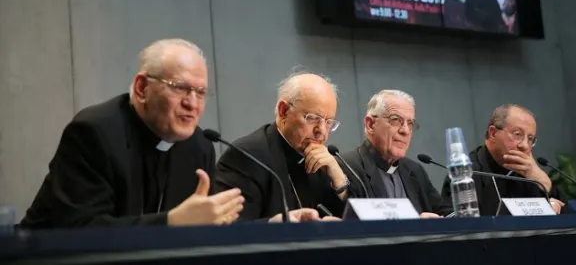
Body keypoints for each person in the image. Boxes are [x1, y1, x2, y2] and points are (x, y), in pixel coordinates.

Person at [20, 39, 309, 229]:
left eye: (200, 92)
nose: (192, 103)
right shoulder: (95, 132)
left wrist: (273, 224)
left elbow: (209, 225)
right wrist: (170, 222)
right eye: (180, 87)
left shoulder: (199, 145)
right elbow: (77, 229)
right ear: (142, 88)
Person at [214, 70, 348, 221]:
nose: (321, 131)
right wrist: (275, 226)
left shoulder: (324, 163)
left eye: (329, 122)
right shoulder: (247, 156)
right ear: (283, 111)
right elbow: (232, 229)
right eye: (312, 118)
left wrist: (339, 181)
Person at [340, 90, 452, 217]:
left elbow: (445, 213)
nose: (405, 130)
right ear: (370, 124)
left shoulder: (414, 171)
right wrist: (417, 225)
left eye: (410, 123)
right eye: (395, 120)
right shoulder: (348, 166)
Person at [441, 104, 567, 216]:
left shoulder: (529, 173)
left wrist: (543, 181)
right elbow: (456, 226)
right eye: (517, 134)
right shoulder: (467, 174)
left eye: (530, 139)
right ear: (493, 133)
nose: (524, 145)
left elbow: (573, 220)